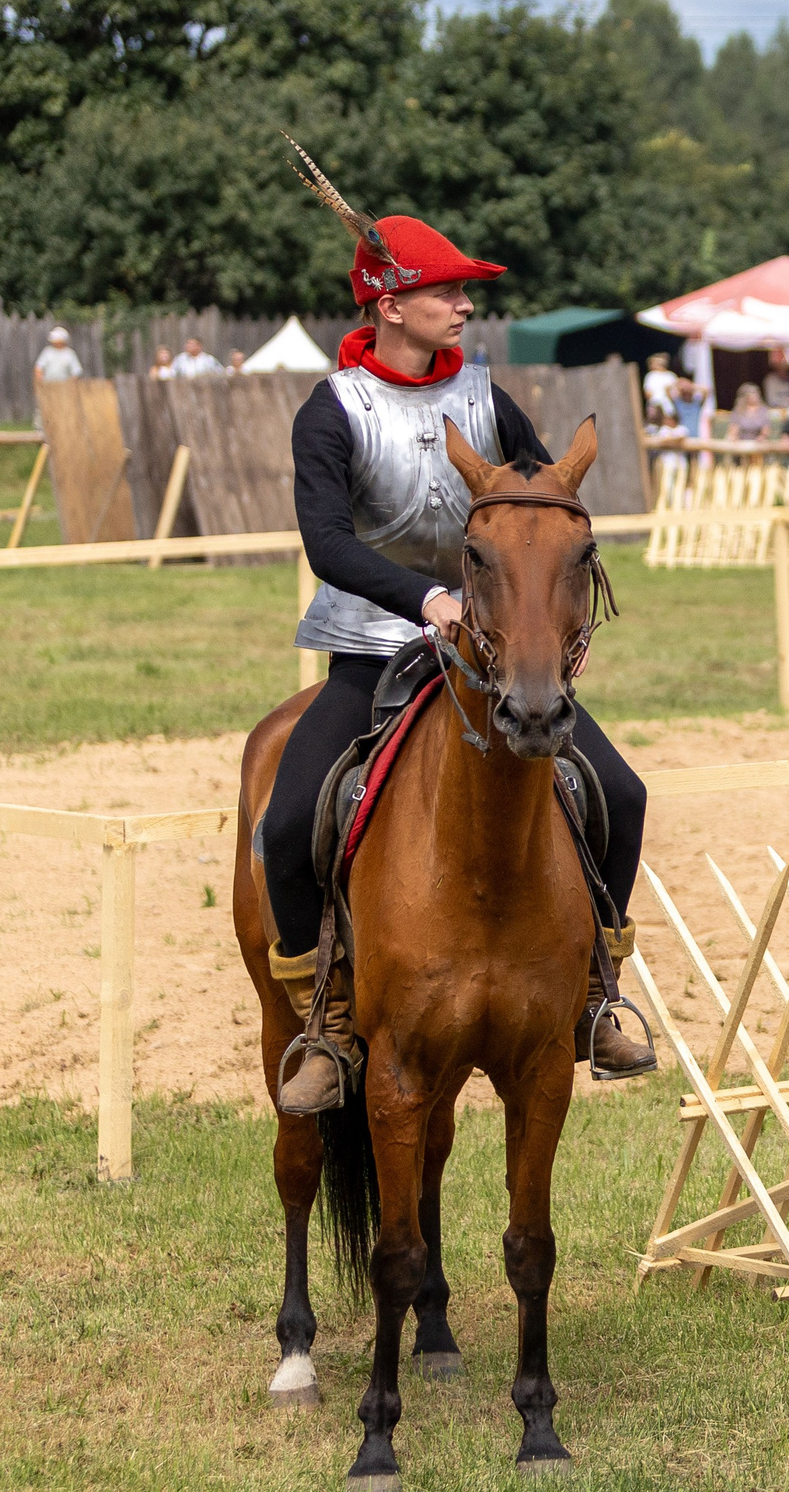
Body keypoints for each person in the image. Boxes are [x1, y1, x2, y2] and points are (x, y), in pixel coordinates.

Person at [262, 147, 656, 1115]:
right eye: (445, 291)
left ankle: (596, 997)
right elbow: (324, 544)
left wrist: (554, 619)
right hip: (371, 652)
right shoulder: (332, 411)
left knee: (620, 790)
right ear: (389, 303)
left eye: (464, 293)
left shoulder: (485, 397)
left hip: (494, 659)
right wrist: (422, 600)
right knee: (284, 823)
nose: (464, 306)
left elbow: (541, 507)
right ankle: (329, 1020)